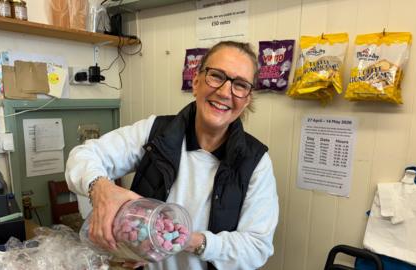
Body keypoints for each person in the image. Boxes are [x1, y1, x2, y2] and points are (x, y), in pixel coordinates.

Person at [65, 40, 279, 270]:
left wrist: (187, 240)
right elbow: (82, 155)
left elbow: (257, 247)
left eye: (240, 85)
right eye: (217, 76)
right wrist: (101, 189)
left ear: (246, 100)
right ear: (196, 82)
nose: (226, 92)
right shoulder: (155, 132)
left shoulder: (255, 162)